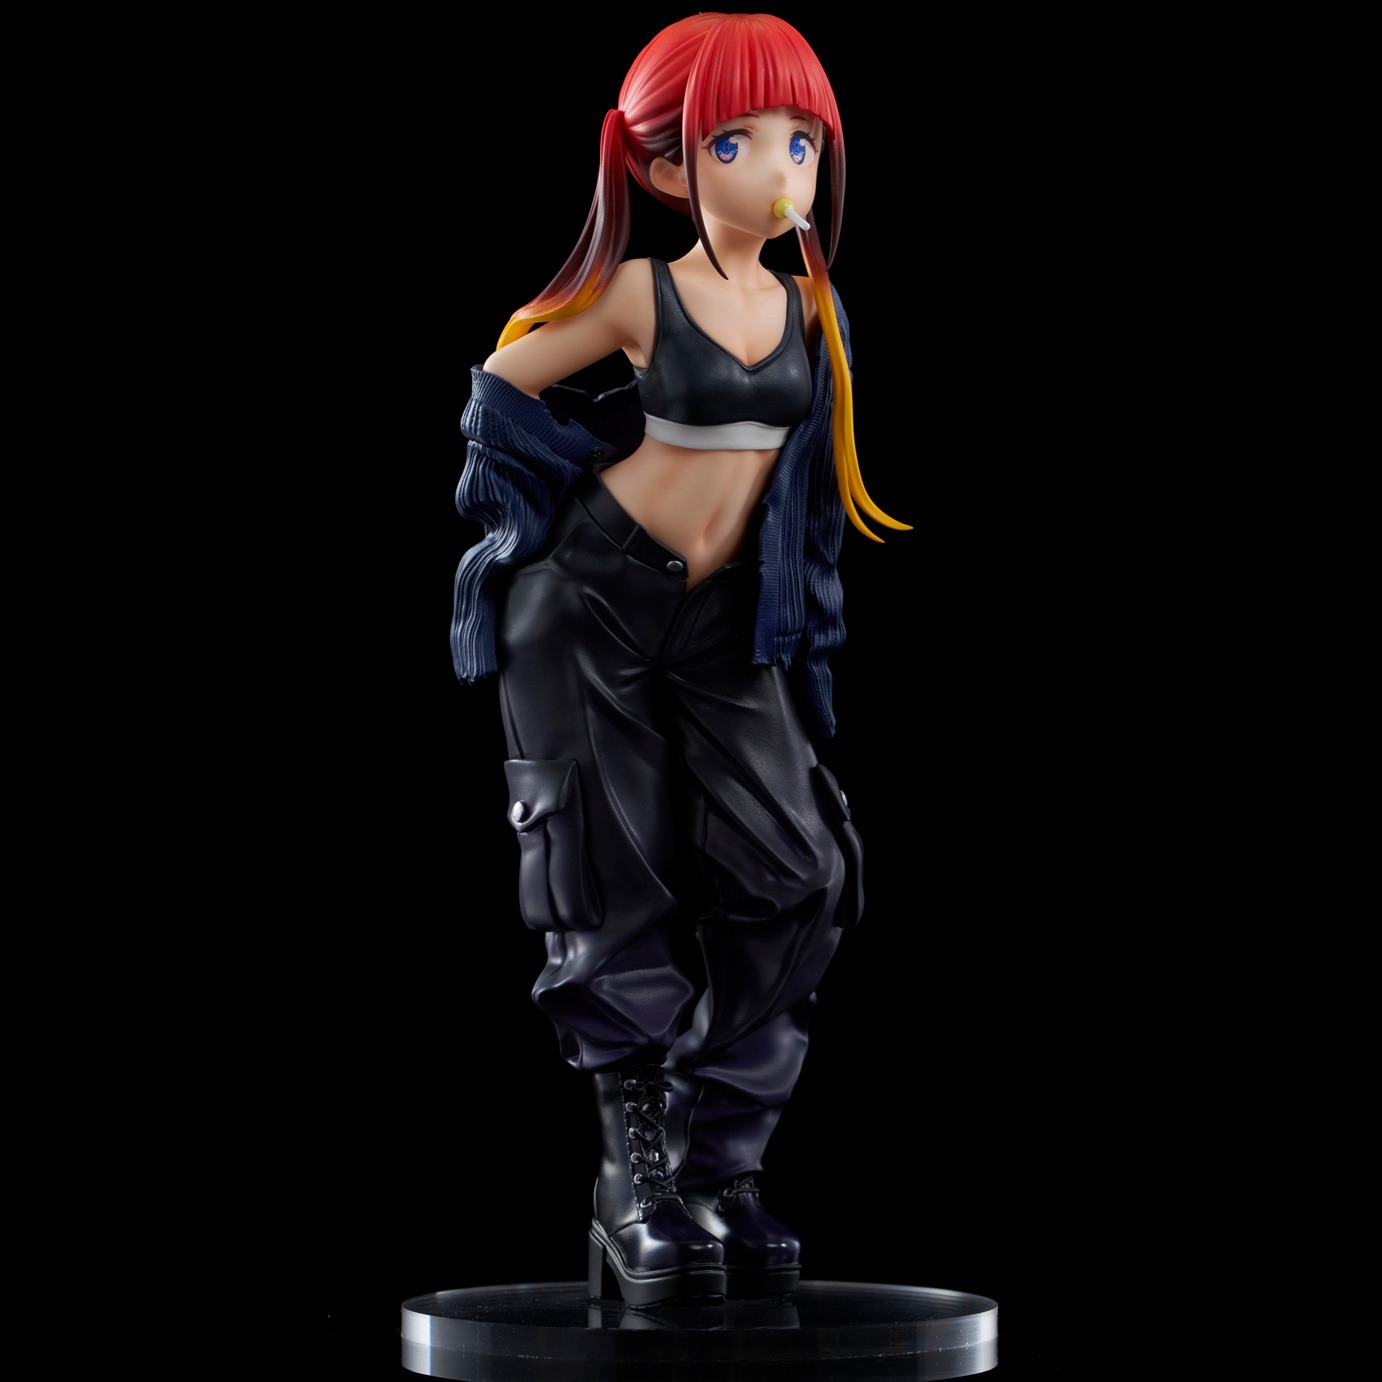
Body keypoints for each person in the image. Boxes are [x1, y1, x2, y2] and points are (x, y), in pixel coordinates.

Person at [450, 12, 908, 1306]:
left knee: (802, 871)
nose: (780, 168)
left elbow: (806, 496)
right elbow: (502, 381)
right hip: (588, 604)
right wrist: (542, 510)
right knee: (607, 879)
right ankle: (634, 1187)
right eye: (736, 141)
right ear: (663, 167)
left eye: (802, 142)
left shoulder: (812, 311)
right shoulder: (642, 294)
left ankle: (720, 1163)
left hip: (725, 621)